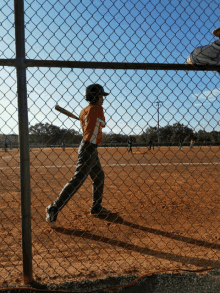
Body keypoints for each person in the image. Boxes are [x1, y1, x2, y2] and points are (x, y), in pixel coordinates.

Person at [46, 84, 111, 227]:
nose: (103, 99)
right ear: (95, 96)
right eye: (101, 96)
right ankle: (54, 207)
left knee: (99, 176)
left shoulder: (84, 111)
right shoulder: (97, 109)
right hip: (88, 148)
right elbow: (103, 124)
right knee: (78, 180)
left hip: (88, 147)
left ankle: (96, 207)